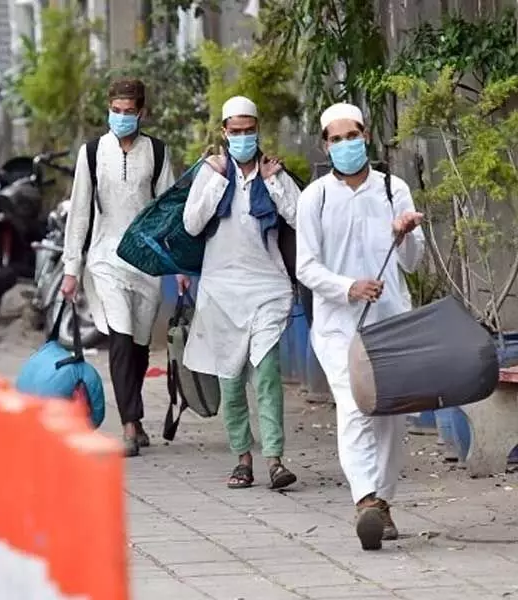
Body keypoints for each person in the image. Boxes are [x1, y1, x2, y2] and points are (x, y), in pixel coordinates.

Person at [295, 102, 425, 551]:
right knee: (353, 404)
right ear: (324, 145)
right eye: (337, 138)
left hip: (391, 322)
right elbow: (306, 267)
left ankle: (382, 504)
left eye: (353, 136)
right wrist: (348, 287)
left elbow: (413, 262)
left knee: (390, 413)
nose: (346, 144)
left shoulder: (394, 189)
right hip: (337, 326)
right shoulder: (315, 198)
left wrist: (403, 234)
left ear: (366, 136)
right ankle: (364, 497)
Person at [182, 96, 302, 490]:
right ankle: (242, 458)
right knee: (231, 381)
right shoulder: (211, 172)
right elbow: (192, 224)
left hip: (267, 288)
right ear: (224, 133)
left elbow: (301, 217)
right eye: (236, 132)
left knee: (266, 374)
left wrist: (272, 182)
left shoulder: (274, 173)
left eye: (249, 131)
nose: (243, 138)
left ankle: (275, 460)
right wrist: (216, 177)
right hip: (220, 291)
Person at [60, 77, 174, 457]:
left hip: (146, 263)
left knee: (139, 345)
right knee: (121, 338)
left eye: (129, 112)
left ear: (142, 112)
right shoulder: (92, 153)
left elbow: (168, 210)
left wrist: (178, 263)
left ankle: (135, 417)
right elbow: (79, 212)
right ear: (108, 109)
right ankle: (128, 425)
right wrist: (72, 268)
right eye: (116, 111)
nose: (122, 118)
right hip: (106, 258)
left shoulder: (157, 153)